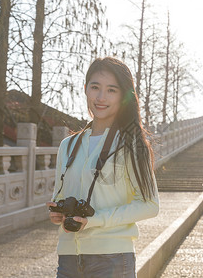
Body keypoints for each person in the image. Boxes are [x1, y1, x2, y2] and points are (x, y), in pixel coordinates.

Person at [46, 57, 159, 278]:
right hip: (68, 258)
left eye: (111, 90)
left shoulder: (131, 144)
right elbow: (59, 194)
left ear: (123, 96)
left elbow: (150, 205)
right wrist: (57, 212)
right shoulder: (68, 146)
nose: (100, 97)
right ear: (86, 89)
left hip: (112, 259)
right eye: (95, 87)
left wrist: (95, 220)